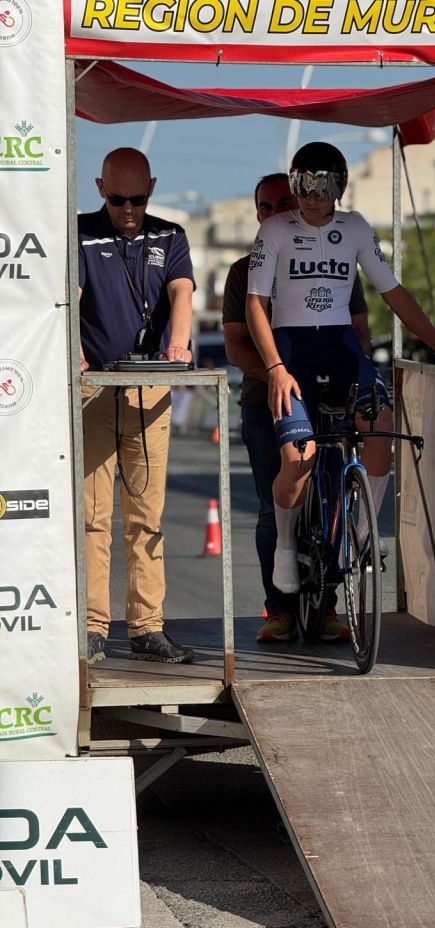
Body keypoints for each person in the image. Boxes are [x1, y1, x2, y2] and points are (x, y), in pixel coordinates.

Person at [245, 142, 435, 596]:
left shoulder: (355, 228)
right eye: (302, 185)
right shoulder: (274, 230)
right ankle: (286, 544)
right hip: (291, 349)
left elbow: (394, 293)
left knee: (381, 427)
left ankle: (361, 535)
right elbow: (256, 303)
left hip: (340, 345)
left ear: (340, 187)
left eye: (323, 186)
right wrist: (274, 367)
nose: (312, 196)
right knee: (300, 459)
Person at [224, 172, 370, 642]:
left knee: (332, 499)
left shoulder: (338, 259)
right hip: (264, 402)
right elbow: (234, 345)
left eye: (282, 203)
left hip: (327, 397)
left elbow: (359, 332)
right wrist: (275, 375)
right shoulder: (243, 271)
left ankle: (328, 607)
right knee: (274, 509)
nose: (273, 213)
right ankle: (279, 608)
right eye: (264, 207)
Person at [78, 147, 195, 666]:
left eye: (139, 199)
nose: (129, 210)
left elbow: (182, 291)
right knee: (93, 514)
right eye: (119, 199)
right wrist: (76, 355)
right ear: (101, 189)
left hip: (149, 389)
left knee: (146, 514)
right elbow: (70, 294)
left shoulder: (170, 235)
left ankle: (148, 627)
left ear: (152, 189)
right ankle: (91, 625)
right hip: (95, 389)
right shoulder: (80, 233)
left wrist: (179, 347)